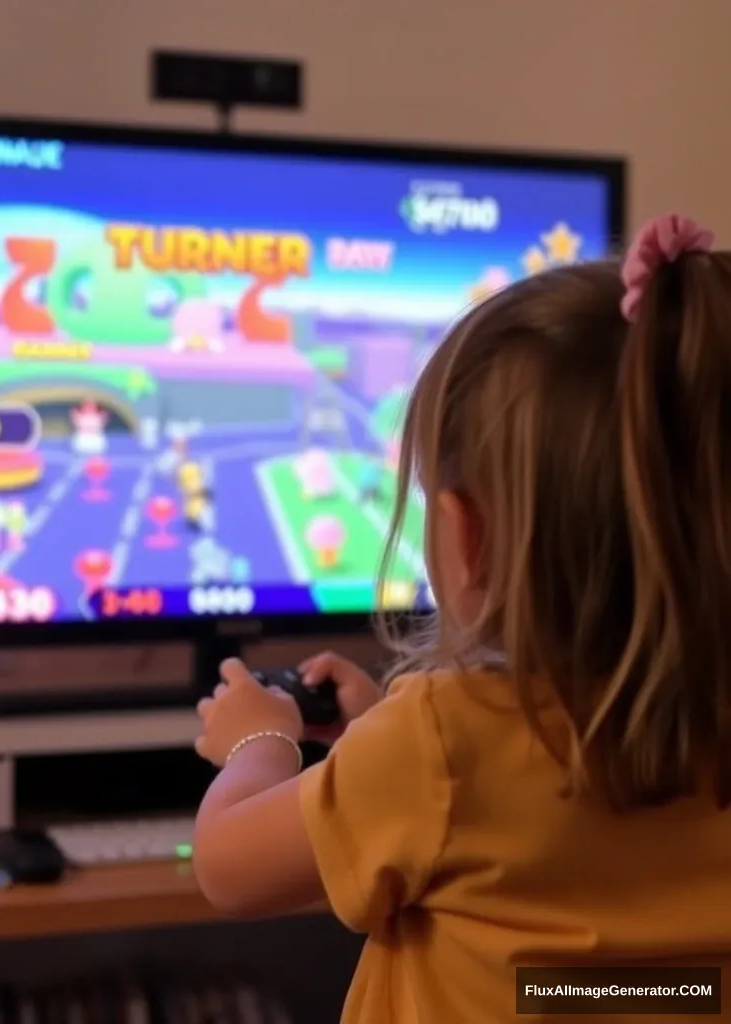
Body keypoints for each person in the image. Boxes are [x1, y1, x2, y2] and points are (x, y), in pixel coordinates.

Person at [191, 214, 731, 1022]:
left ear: (467, 534)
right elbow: (625, 975)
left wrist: (258, 739)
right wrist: (377, 729)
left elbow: (232, 869)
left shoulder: (443, 742)